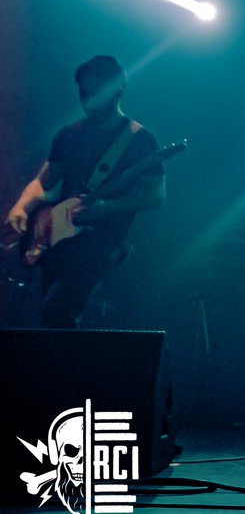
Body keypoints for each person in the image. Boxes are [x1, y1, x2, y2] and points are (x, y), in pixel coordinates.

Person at [5, 55, 166, 328]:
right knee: (43, 313)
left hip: (103, 240)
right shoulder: (69, 135)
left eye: (97, 90)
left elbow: (156, 195)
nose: (89, 97)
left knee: (59, 310)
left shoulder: (140, 139)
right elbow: (44, 181)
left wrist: (108, 207)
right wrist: (20, 206)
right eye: (84, 90)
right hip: (58, 235)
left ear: (118, 89)